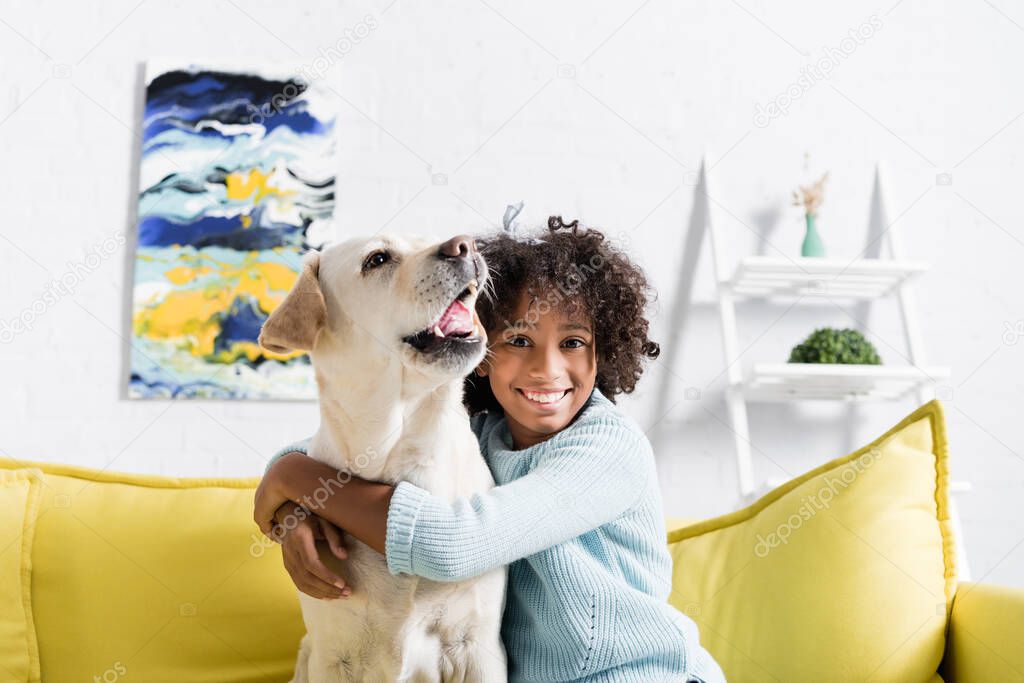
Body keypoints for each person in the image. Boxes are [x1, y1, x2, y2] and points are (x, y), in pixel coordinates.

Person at [254, 216, 726, 682]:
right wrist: (293, 495)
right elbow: (337, 448)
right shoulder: (485, 436)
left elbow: (454, 545)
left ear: (602, 352)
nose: (547, 368)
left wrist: (292, 482)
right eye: (519, 340)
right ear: (483, 350)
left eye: (574, 342)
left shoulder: (608, 448)